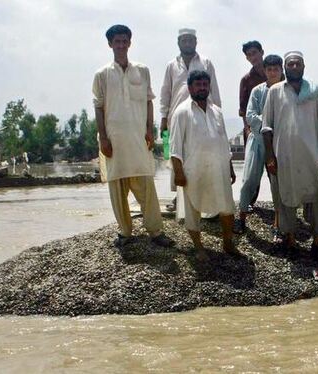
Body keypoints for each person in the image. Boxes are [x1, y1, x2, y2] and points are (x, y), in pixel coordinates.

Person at [92, 24, 174, 248]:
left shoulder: (142, 70)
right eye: (116, 41)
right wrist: (103, 138)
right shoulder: (102, 74)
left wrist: (150, 129)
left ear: (130, 42)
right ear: (110, 44)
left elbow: (149, 101)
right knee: (117, 187)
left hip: (138, 137)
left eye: (124, 40)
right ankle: (125, 232)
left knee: (146, 183)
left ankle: (156, 231)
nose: (120, 44)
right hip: (114, 139)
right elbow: (98, 107)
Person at [262, 51, 318, 260]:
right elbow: (266, 127)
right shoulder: (274, 92)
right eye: (290, 64)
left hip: (309, 155)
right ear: (285, 68)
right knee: (286, 197)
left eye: (297, 64)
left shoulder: (313, 91)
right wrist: (270, 156)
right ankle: (290, 240)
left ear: (303, 66)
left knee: (316, 196)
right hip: (285, 156)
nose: (293, 67)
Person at [169, 70, 238, 256]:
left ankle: (228, 243)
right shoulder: (181, 112)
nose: (202, 88)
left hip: (219, 168)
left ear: (209, 87)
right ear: (190, 87)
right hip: (193, 169)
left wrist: (230, 168)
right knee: (193, 210)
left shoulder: (217, 111)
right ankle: (198, 247)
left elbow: (224, 141)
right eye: (198, 84)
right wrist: (178, 172)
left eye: (205, 85)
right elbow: (174, 146)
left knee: (227, 207)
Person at [160, 28, 221, 212]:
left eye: (190, 40)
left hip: (202, 116)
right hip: (176, 118)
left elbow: (214, 90)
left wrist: (217, 114)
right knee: (174, 156)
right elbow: (165, 92)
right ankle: (180, 197)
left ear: (196, 42)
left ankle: (205, 197)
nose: (187, 43)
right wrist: (163, 118)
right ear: (179, 43)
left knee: (202, 155)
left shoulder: (206, 63)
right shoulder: (172, 65)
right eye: (184, 40)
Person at [234, 54, 283, 239]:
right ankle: (241, 218)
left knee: (277, 183)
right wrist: (269, 123)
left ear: (281, 70)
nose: (272, 72)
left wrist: (272, 125)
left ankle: (278, 223)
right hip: (257, 140)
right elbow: (250, 116)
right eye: (269, 69)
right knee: (248, 180)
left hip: (278, 143)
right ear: (265, 70)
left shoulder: (286, 92)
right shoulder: (257, 91)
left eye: (276, 69)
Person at [238, 40, 267, 209]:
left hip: (276, 130)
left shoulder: (277, 73)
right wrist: (248, 130)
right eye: (249, 55)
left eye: (255, 53)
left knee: (275, 169)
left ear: (262, 52)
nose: (253, 57)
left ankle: (281, 204)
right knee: (251, 172)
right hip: (253, 131)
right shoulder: (247, 80)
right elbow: (243, 109)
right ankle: (248, 203)